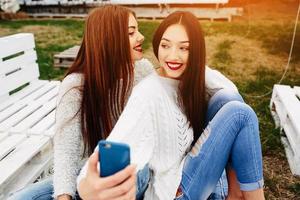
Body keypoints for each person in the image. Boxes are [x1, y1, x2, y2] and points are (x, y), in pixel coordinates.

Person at [8, 6, 239, 200]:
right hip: (93, 172)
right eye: (131, 32)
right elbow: (66, 153)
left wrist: (196, 63)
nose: (141, 37)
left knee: (131, 170)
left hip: (139, 170)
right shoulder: (76, 86)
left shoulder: (142, 70)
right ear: (110, 39)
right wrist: (64, 197)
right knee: (28, 196)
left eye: (137, 30)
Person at [77, 11, 265, 200]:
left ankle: (235, 193)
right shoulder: (148, 93)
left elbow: (231, 93)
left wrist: (194, 67)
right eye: (165, 45)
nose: (172, 56)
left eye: (184, 48)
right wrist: (87, 187)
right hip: (175, 192)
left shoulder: (188, 81)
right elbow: (119, 140)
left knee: (226, 99)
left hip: (192, 173)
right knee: (240, 114)